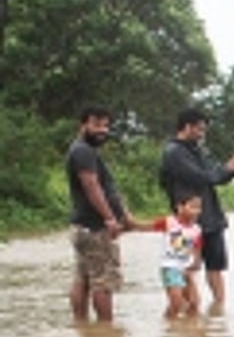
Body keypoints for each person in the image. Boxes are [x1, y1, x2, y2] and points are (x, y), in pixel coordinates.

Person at [158, 108, 234, 310]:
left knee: (216, 268)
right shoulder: (174, 153)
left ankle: (218, 312)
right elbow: (202, 177)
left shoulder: (197, 151)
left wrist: (230, 171)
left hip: (212, 219)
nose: (201, 134)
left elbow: (215, 176)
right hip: (187, 223)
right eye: (199, 129)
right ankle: (187, 312)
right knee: (186, 268)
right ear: (186, 127)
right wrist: (227, 169)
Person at [66, 106, 131, 322]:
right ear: (83, 125)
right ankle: (105, 332)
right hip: (95, 227)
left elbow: (103, 187)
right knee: (103, 281)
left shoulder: (83, 150)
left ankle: (82, 328)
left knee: (82, 278)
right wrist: (110, 218)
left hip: (81, 227)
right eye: (96, 124)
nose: (102, 130)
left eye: (106, 125)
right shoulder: (83, 151)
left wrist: (124, 214)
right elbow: (91, 186)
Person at [129, 191, 204, 318]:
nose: (196, 211)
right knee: (176, 302)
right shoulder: (169, 222)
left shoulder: (197, 229)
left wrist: (195, 264)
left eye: (199, 207)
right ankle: (169, 327)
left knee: (194, 303)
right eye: (192, 207)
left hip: (187, 269)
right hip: (170, 267)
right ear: (180, 207)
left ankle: (188, 331)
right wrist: (130, 221)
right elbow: (146, 226)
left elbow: (197, 249)